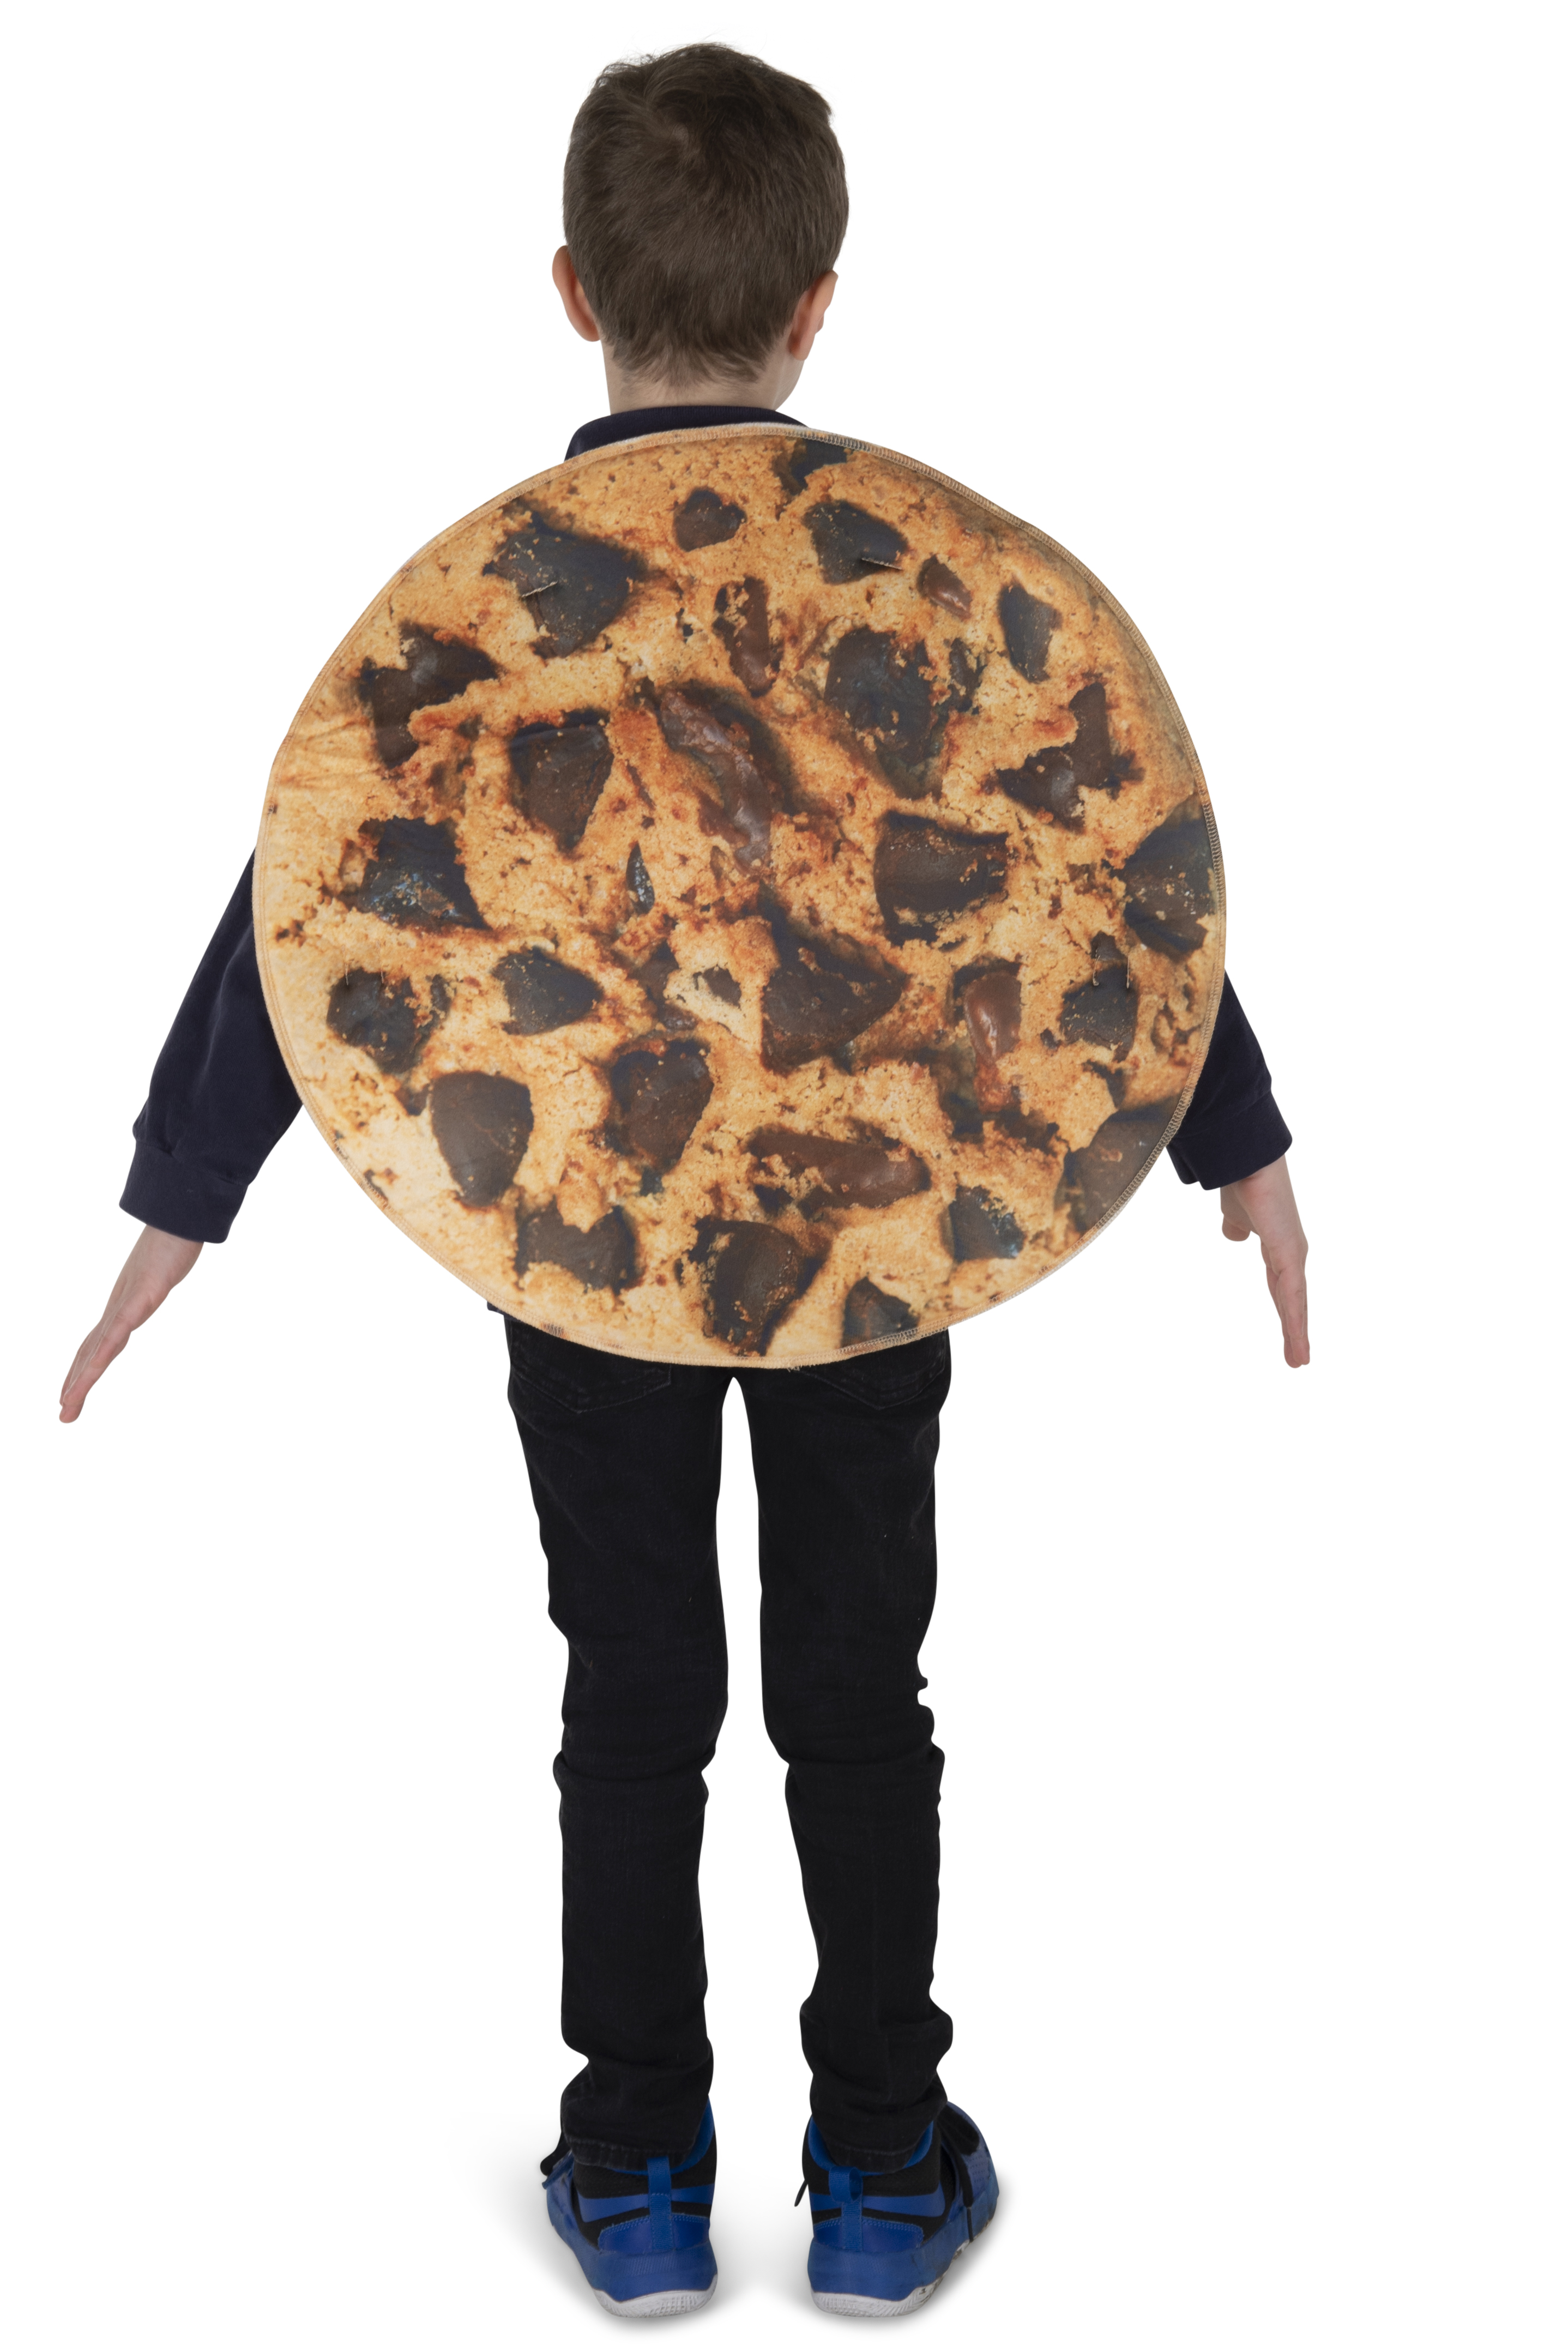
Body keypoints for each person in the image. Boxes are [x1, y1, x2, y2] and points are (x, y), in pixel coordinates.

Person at [58, 44, 1310, 2323]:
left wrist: (180, 1197)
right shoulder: (919, 573)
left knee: (630, 1689)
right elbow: (1076, 843)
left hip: (577, 1243)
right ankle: (881, 2164)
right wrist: (1235, 1136)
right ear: (818, 306)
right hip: (876, 1238)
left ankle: (636, 2163)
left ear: (570, 288)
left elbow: (316, 898)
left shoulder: (488, 601)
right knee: (858, 1691)